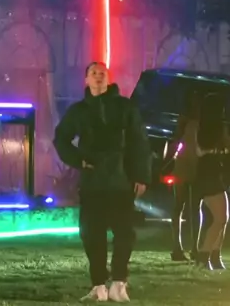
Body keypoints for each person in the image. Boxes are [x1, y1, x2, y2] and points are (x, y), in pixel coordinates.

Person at [53, 61, 151, 302]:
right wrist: (79, 160)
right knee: (92, 234)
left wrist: (140, 175)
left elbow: (139, 142)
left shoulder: (125, 107)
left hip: (120, 181)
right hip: (93, 183)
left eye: (102, 73)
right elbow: (61, 139)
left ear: (108, 78)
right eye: (93, 73)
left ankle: (119, 282)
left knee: (124, 233)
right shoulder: (79, 111)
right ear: (86, 80)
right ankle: (98, 285)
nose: (98, 76)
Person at [191, 94, 230, 270]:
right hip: (212, 174)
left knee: (221, 218)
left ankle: (214, 256)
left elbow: (198, 151)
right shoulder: (216, 128)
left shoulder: (200, 127)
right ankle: (205, 255)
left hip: (205, 174)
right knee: (221, 218)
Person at [168, 91, 202, 262]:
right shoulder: (194, 122)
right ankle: (187, 247)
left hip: (186, 164)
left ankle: (182, 247)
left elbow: (175, 141)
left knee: (182, 206)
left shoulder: (186, 121)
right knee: (190, 207)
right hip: (190, 165)